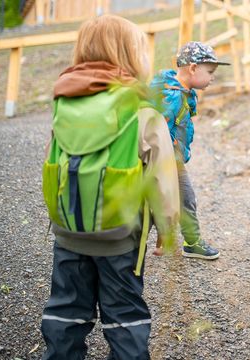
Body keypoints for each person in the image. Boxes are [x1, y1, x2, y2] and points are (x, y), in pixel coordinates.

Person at [40, 15, 179, 359]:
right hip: (120, 237)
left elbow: (53, 161)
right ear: (132, 54)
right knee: (124, 316)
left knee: (66, 310)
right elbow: (162, 178)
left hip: (69, 230)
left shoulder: (65, 104)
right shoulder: (143, 110)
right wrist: (167, 225)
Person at [149, 41, 229, 260]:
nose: (213, 77)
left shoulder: (184, 91)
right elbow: (157, 130)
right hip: (162, 160)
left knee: (177, 199)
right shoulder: (171, 96)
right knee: (171, 200)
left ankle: (178, 241)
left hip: (172, 158)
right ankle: (188, 242)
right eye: (210, 72)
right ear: (193, 68)